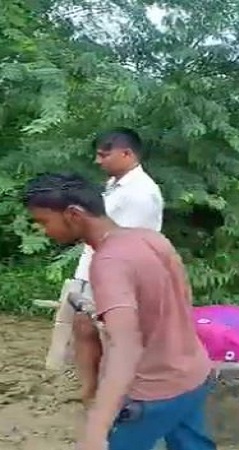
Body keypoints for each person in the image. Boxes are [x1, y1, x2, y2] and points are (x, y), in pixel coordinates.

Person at [23, 173, 215, 450]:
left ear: (73, 214)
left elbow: (125, 348)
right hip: (194, 374)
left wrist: (96, 429)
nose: (43, 230)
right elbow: (182, 300)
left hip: (154, 392)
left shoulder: (109, 262)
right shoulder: (150, 239)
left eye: (44, 221)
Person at [70, 128, 164, 408]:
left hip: (116, 274)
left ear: (127, 153)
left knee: (114, 338)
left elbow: (125, 242)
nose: (99, 161)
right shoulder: (114, 183)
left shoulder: (141, 193)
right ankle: (89, 390)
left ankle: (120, 398)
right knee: (83, 327)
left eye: (104, 154)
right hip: (91, 267)